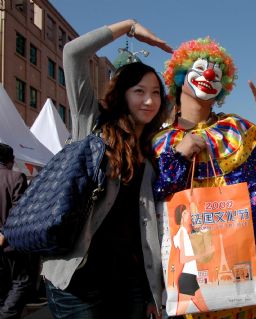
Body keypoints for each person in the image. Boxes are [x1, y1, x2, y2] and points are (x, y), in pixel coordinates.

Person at [152, 37, 256, 318]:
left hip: (251, 254)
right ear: (179, 76)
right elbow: (149, 195)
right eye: (199, 68)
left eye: (217, 73)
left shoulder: (237, 129)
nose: (209, 75)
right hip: (190, 263)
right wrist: (179, 155)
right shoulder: (160, 142)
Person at [40, 20, 173, 319]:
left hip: (130, 283)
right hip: (78, 282)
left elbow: (147, 226)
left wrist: (154, 290)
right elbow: (73, 54)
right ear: (123, 92)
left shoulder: (154, 150)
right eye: (139, 91)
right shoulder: (93, 123)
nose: (149, 100)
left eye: (155, 92)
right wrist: (129, 26)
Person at [0, 143, 36, 319]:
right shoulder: (16, 178)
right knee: (21, 283)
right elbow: (19, 214)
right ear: (11, 160)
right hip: (11, 246)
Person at [172, 204, 210, 315]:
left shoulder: (184, 232)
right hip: (187, 278)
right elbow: (183, 259)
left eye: (187, 212)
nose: (188, 214)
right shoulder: (182, 233)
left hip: (190, 278)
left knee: (205, 309)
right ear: (181, 216)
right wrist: (201, 255)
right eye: (185, 213)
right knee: (180, 312)